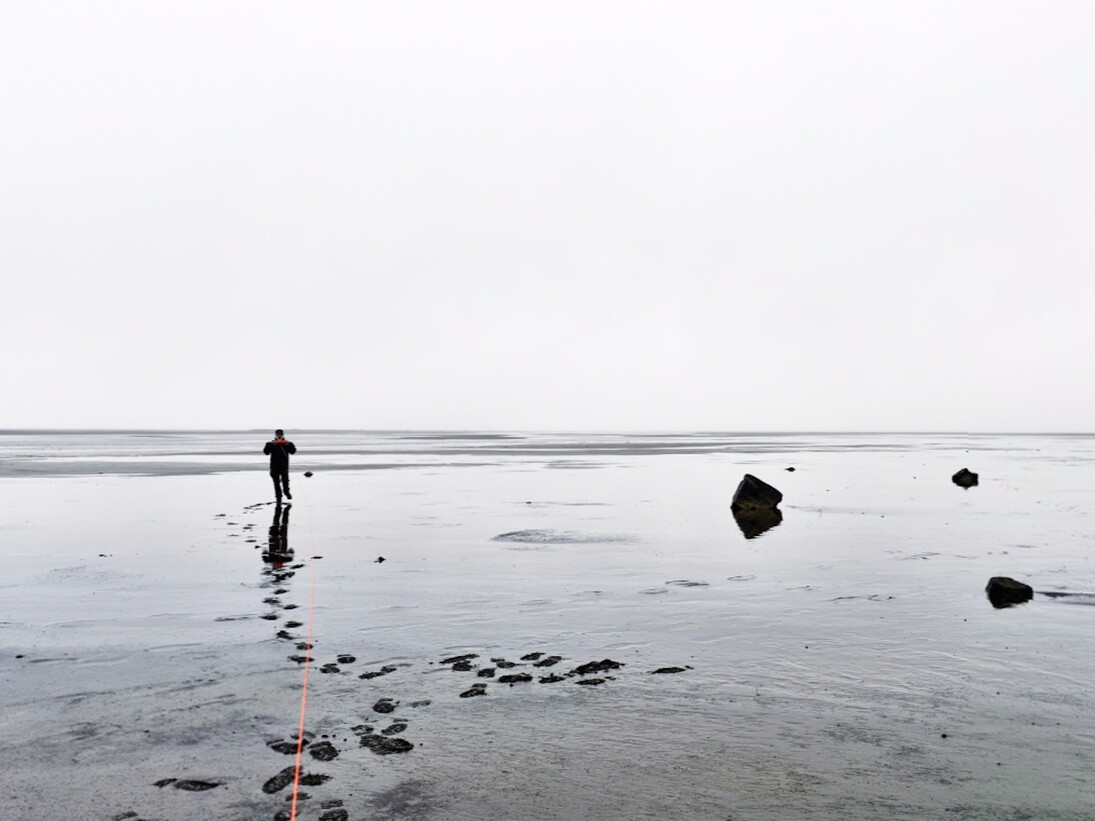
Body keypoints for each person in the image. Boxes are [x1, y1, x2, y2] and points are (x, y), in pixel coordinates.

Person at [263, 429, 297, 502]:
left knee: (285, 481)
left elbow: (293, 451)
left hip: (284, 466)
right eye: (278, 434)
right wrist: (271, 445)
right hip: (274, 466)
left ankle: (286, 492)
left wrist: (289, 445)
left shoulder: (288, 443)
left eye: (280, 434)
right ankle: (278, 496)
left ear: (283, 435)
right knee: (276, 482)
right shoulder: (270, 443)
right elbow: (266, 452)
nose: (279, 436)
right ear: (275, 435)